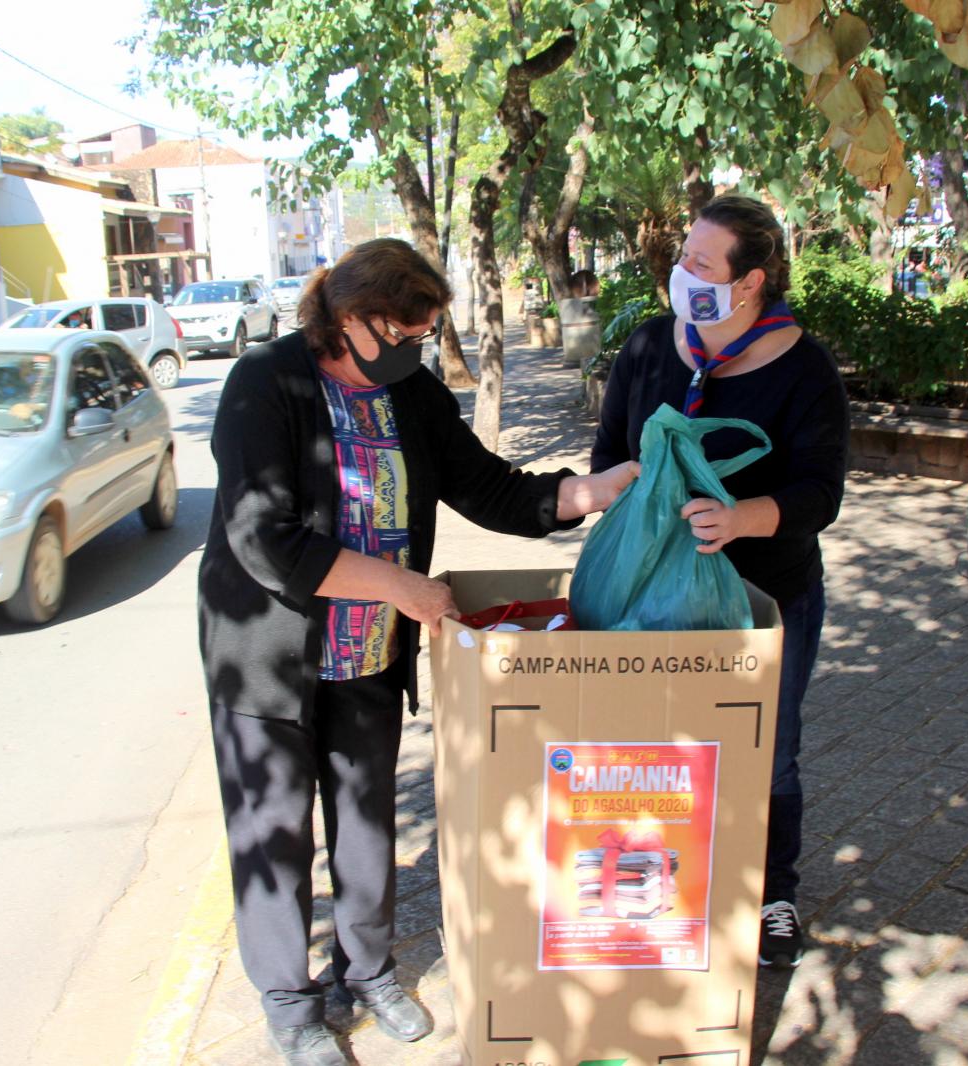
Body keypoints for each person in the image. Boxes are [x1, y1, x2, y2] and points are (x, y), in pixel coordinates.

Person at [199, 238, 638, 1066]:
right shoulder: (268, 383)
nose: (416, 351)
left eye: (427, 336)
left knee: (364, 819)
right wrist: (400, 587)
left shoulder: (412, 394)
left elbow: (489, 486)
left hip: (367, 647)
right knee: (275, 828)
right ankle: (291, 1005)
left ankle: (366, 972)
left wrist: (585, 492)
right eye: (404, 335)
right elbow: (262, 537)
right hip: (269, 653)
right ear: (354, 320)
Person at [589, 193, 848, 970]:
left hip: (766, 597)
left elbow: (820, 495)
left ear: (751, 283)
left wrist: (742, 519)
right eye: (683, 258)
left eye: (701, 264)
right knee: (651, 748)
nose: (682, 274)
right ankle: (668, 888)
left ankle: (773, 896)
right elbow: (607, 452)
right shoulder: (647, 349)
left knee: (769, 753)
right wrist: (624, 490)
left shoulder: (805, 370)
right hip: (647, 596)